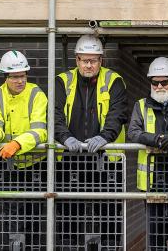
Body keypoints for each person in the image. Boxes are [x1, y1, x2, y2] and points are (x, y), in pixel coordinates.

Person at [54, 34, 128, 247]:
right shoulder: (63, 81)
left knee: (108, 213)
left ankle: (110, 246)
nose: (89, 65)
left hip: (105, 161)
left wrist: (104, 136)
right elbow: (55, 114)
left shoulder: (114, 81)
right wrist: (65, 137)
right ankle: (70, 246)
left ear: (101, 60)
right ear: (76, 59)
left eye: (93, 60)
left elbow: (118, 113)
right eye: (85, 60)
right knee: (69, 213)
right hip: (70, 159)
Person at [127, 57, 168, 250]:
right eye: (154, 82)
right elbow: (133, 132)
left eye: (164, 82)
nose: (159, 86)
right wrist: (155, 140)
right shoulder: (141, 106)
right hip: (152, 178)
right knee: (155, 228)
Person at [0, 50, 48, 248]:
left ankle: (33, 247)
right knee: (12, 212)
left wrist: (18, 144)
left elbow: (40, 131)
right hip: (10, 166)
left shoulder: (36, 94)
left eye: (23, 75)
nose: (20, 81)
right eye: (15, 77)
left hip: (36, 163)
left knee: (35, 213)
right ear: (5, 77)